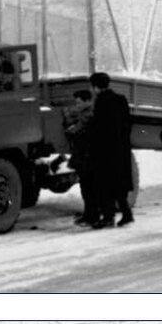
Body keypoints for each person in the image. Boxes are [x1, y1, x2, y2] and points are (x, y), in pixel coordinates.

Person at [88, 71, 134, 229]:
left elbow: (99, 128)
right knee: (118, 184)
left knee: (104, 185)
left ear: (95, 87)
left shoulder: (101, 102)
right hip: (120, 149)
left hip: (105, 150)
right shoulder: (121, 99)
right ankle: (127, 215)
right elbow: (128, 124)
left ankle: (108, 218)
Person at [63, 89, 96, 225]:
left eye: (79, 102)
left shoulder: (88, 114)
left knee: (89, 188)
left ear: (87, 101)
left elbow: (77, 130)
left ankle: (91, 216)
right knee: (86, 187)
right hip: (85, 155)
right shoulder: (85, 113)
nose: (77, 105)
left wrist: (69, 125)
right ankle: (89, 215)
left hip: (87, 156)